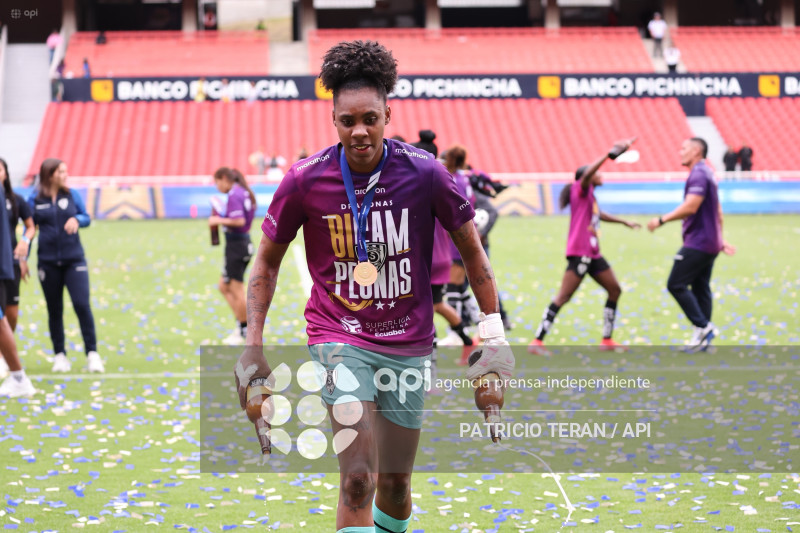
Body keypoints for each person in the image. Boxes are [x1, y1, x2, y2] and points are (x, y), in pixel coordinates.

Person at [236, 40, 513, 533]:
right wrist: (251, 344)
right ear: (334, 121)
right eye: (348, 121)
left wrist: (493, 339)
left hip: (408, 342)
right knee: (359, 476)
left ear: (388, 113)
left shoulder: (427, 174)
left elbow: (473, 252)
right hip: (338, 336)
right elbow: (267, 262)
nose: (359, 131)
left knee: (396, 485)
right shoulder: (304, 180)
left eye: (370, 118)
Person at [529, 139, 640, 355]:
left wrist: (624, 222)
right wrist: (610, 155)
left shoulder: (590, 195)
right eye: (597, 174)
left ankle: (607, 340)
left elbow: (599, 215)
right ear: (586, 178)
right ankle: (537, 341)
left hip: (593, 254)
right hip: (580, 253)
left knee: (615, 290)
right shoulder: (580, 189)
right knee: (563, 297)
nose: (601, 176)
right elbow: (590, 173)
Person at [647, 138, 735, 351]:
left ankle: (703, 326)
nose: (680, 152)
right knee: (700, 287)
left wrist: (661, 220)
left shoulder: (698, 174)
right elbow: (718, 212)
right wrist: (719, 239)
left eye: (684, 148)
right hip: (710, 242)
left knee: (675, 284)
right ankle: (702, 338)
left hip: (699, 242)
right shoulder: (708, 174)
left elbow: (691, 206)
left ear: (696, 151)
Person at [28, 158, 104, 373]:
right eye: (61, 171)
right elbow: (30, 226)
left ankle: (92, 353)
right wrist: (23, 256)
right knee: (54, 310)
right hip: (48, 262)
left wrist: (78, 220)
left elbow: (86, 217)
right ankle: (60, 355)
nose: (65, 174)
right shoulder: (35, 198)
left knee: (82, 305)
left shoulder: (72, 195)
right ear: (50, 174)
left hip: (74, 260)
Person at [209, 167, 257, 345]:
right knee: (224, 286)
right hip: (239, 244)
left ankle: (244, 329)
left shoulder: (235, 194)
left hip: (237, 245)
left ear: (223, 178)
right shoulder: (243, 192)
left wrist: (217, 220)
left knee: (236, 289)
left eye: (217, 182)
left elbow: (239, 221)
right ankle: (242, 324)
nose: (217, 187)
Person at [0, 175, 35, 397]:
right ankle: (18, 378)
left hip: (6, 264)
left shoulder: (13, 198)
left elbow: (29, 227)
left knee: (4, 319)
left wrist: (20, 256)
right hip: (5, 263)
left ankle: (19, 378)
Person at [0, 159, 35, 332]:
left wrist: (24, 243)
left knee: (11, 313)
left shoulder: (16, 200)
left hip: (11, 261)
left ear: (5, 174)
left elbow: (31, 227)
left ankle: (5, 351)